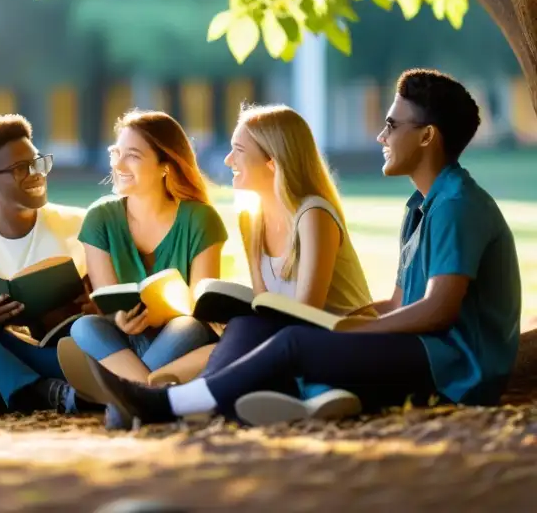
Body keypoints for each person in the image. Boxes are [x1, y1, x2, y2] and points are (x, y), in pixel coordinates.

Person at [81, 70, 521, 428]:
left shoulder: (457, 205)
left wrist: (345, 332)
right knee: (251, 328)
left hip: (455, 368)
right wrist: (346, 323)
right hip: (422, 350)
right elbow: (401, 303)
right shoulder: (422, 205)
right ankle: (193, 403)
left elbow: (437, 311)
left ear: (426, 137)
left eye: (391, 124)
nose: (380, 136)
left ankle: (166, 405)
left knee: (293, 341)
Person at [152, 104, 374, 385]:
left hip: (333, 342)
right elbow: (262, 305)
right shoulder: (252, 221)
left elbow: (308, 315)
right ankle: (152, 389)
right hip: (287, 340)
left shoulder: (313, 215)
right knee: (215, 345)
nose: (228, 160)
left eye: (239, 151)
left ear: (273, 161)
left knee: (239, 338)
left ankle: (189, 394)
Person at [63, 110, 229, 427]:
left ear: (166, 165)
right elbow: (106, 299)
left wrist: (161, 314)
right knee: (83, 328)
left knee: (189, 326)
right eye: (116, 153)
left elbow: (201, 304)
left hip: (180, 337)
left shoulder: (200, 218)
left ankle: (124, 397)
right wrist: (120, 319)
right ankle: (148, 393)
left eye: (133, 156)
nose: (118, 165)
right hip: (123, 339)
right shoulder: (100, 217)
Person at [0, 114, 97, 415]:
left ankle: (24, 388)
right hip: (16, 345)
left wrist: (96, 304)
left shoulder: (81, 224)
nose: (37, 174)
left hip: (74, 350)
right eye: (21, 169)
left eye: (38, 162)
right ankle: (45, 391)